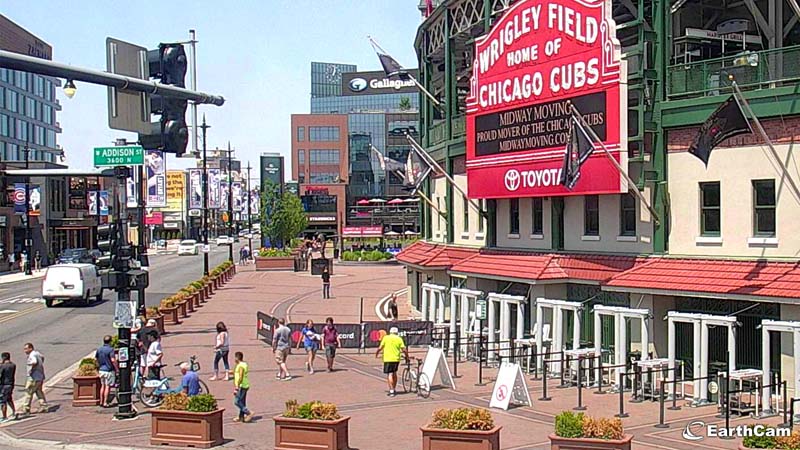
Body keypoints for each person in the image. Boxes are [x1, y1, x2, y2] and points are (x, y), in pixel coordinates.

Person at [375, 327, 408, 397]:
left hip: (387, 358)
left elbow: (380, 347)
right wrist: (407, 356)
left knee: (390, 374)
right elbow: (404, 349)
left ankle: (391, 390)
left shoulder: (386, 338)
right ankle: (394, 387)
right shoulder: (399, 339)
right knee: (394, 373)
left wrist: (377, 353)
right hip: (396, 359)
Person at [21, 343, 48, 415]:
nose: (25, 351)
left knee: (28, 392)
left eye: (26, 349)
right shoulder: (38, 353)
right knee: (39, 391)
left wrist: (31, 369)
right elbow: (42, 358)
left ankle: (26, 408)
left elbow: (34, 361)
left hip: (33, 378)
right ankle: (44, 406)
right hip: (40, 376)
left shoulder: (32, 355)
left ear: (31, 348)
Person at [95, 335, 117, 408]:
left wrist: (98, 367)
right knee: (107, 386)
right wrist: (117, 368)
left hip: (101, 370)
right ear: (110, 341)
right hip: (109, 370)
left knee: (102, 386)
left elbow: (96, 359)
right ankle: (105, 402)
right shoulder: (110, 350)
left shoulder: (99, 349)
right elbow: (113, 360)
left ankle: (101, 401)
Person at [232, 351, 252, 423]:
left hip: (242, 385)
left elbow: (240, 376)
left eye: (235, 357)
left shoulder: (240, 366)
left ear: (237, 358)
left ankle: (248, 413)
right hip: (245, 385)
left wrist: (237, 386)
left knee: (237, 401)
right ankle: (241, 417)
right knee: (242, 402)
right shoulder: (244, 364)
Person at [0, 352, 16, 423]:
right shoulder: (13, 365)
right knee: (9, 398)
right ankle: (14, 412)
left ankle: (4, 416)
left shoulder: (3, 366)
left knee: (3, 401)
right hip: (11, 384)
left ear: (3, 358)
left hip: (4, 385)